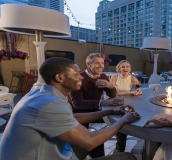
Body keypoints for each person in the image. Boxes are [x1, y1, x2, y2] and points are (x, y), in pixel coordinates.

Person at [0, 57, 140, 160]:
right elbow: (89, 141)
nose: (81, 77)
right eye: (76, 74)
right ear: (60, 77)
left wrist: (111, 111)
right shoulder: (49, 103)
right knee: (128, 158)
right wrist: (124, 120)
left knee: (98, 139)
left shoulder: (42, 94)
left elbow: (73, 117)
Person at [67, 53, 126, 157]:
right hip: (80, 116)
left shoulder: (103, 76)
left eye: (102, 63)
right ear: (88, 64)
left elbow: (112, 95)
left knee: (120, 122)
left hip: (96, 112)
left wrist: (111, 86)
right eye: (97, 63)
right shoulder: (79, 78)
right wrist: (102, 102)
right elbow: (77, 104)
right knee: (93, 141)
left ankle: (118, 149)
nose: (101, 66)